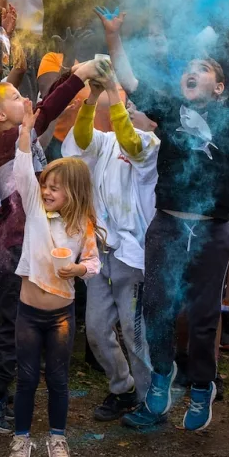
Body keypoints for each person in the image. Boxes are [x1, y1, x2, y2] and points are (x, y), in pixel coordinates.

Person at [131, 34, 229, 432]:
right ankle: (160, 379)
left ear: (219, 88)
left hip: (211, 231)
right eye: (189, 68)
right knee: (156, 306)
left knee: (205, 316)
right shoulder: (171, 111)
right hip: (167, 224)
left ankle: (202, 386)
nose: (193, 72)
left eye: (203, 69)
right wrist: (116, 36)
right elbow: (132, 81)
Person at [0, 63, 94, 432]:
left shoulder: (18, 138)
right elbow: (46, 110)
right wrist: (78, 77)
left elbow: (41, 107)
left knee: (16, 321)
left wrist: (68, 75)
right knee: (14, 322)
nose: (23, 99)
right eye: (13, 97)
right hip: (13, 247)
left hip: (27, 244)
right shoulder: (3, 142)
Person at [4, 124, 100, 457]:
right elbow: (21, 172)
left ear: (73, 192)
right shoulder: (34, 210)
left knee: (58, 379)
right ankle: (21, 439)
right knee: (27, 377)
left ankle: (57, 440)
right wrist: (25, 133)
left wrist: (78, 271)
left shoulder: (82, 226)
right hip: (29, 313)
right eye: (45, 185)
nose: (45, 191)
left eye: (54, 188)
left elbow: (93, 262)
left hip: (61, 316)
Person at [63, 75, 159, 422]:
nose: (130, 112)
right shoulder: (104, 141)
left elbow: (132, 143)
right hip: (97, 252)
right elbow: (82, 141)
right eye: (127, 108)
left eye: (136, 110)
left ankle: (151, 402)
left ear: (153, 123)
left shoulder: (149, 146)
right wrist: (91, 97)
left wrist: (115, 98)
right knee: (97, 331)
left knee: (135, 336)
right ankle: (123, 388)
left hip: (131, 257)